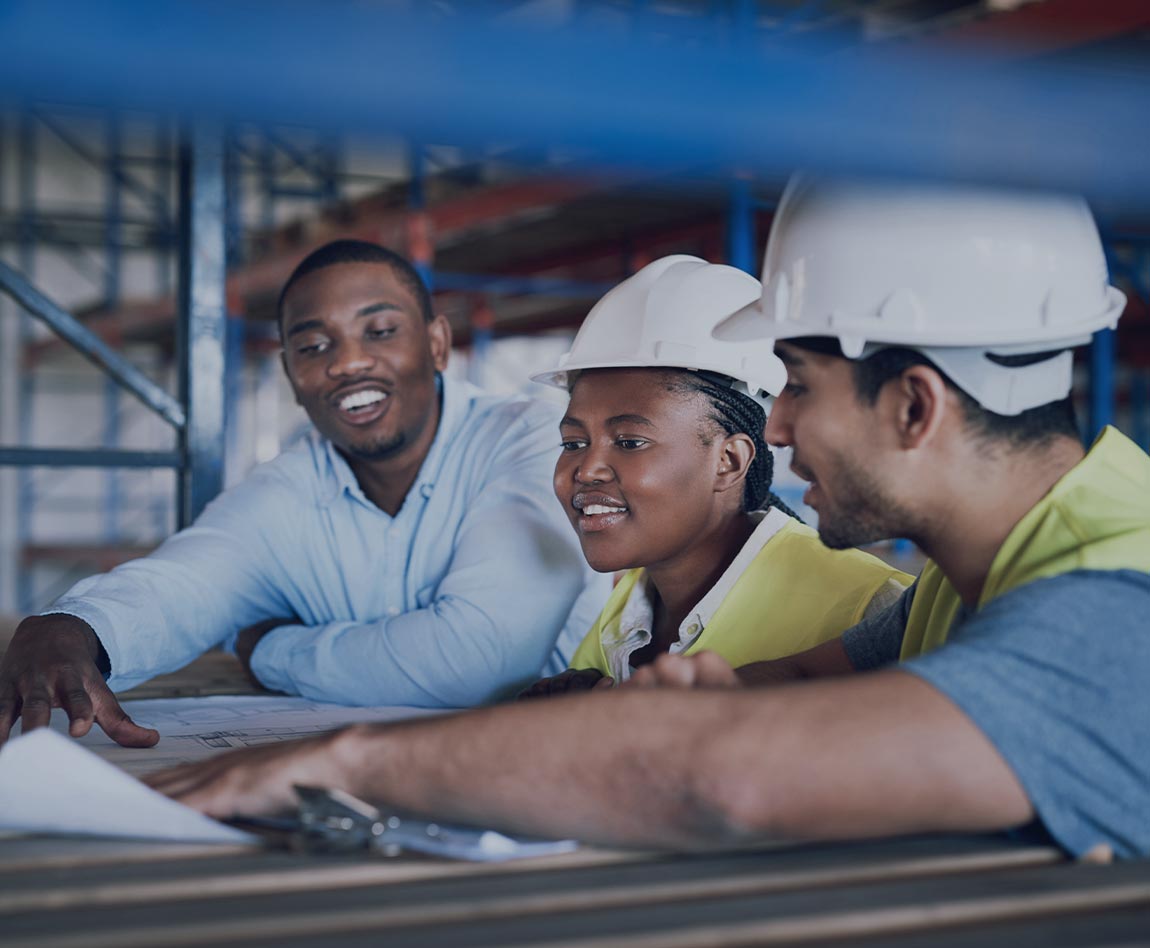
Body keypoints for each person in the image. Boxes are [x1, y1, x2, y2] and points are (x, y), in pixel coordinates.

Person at [147, 178, 1150, 862]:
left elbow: (732, 778)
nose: (779, 427)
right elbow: (800, 678)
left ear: (914, 405)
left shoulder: (1115, 607)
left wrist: (350, 762)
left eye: (794, 386)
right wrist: (659, 700)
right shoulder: (966, 581)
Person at [0, 240, 611, 746]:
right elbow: (184, 584)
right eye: (314, 346)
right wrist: (74, 628)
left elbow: (477, 660)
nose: (347, 363)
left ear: (437, 344)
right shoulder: (288, 490)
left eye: (379, 330)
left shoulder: (533, 437)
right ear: (292, 376)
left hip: (561, 762)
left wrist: (271, 649)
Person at [519, 255, 909, 697]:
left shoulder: (869, 606)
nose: (586, 469)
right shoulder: (633, 603)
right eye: (573, 443)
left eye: (629, 442)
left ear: (729, 460)